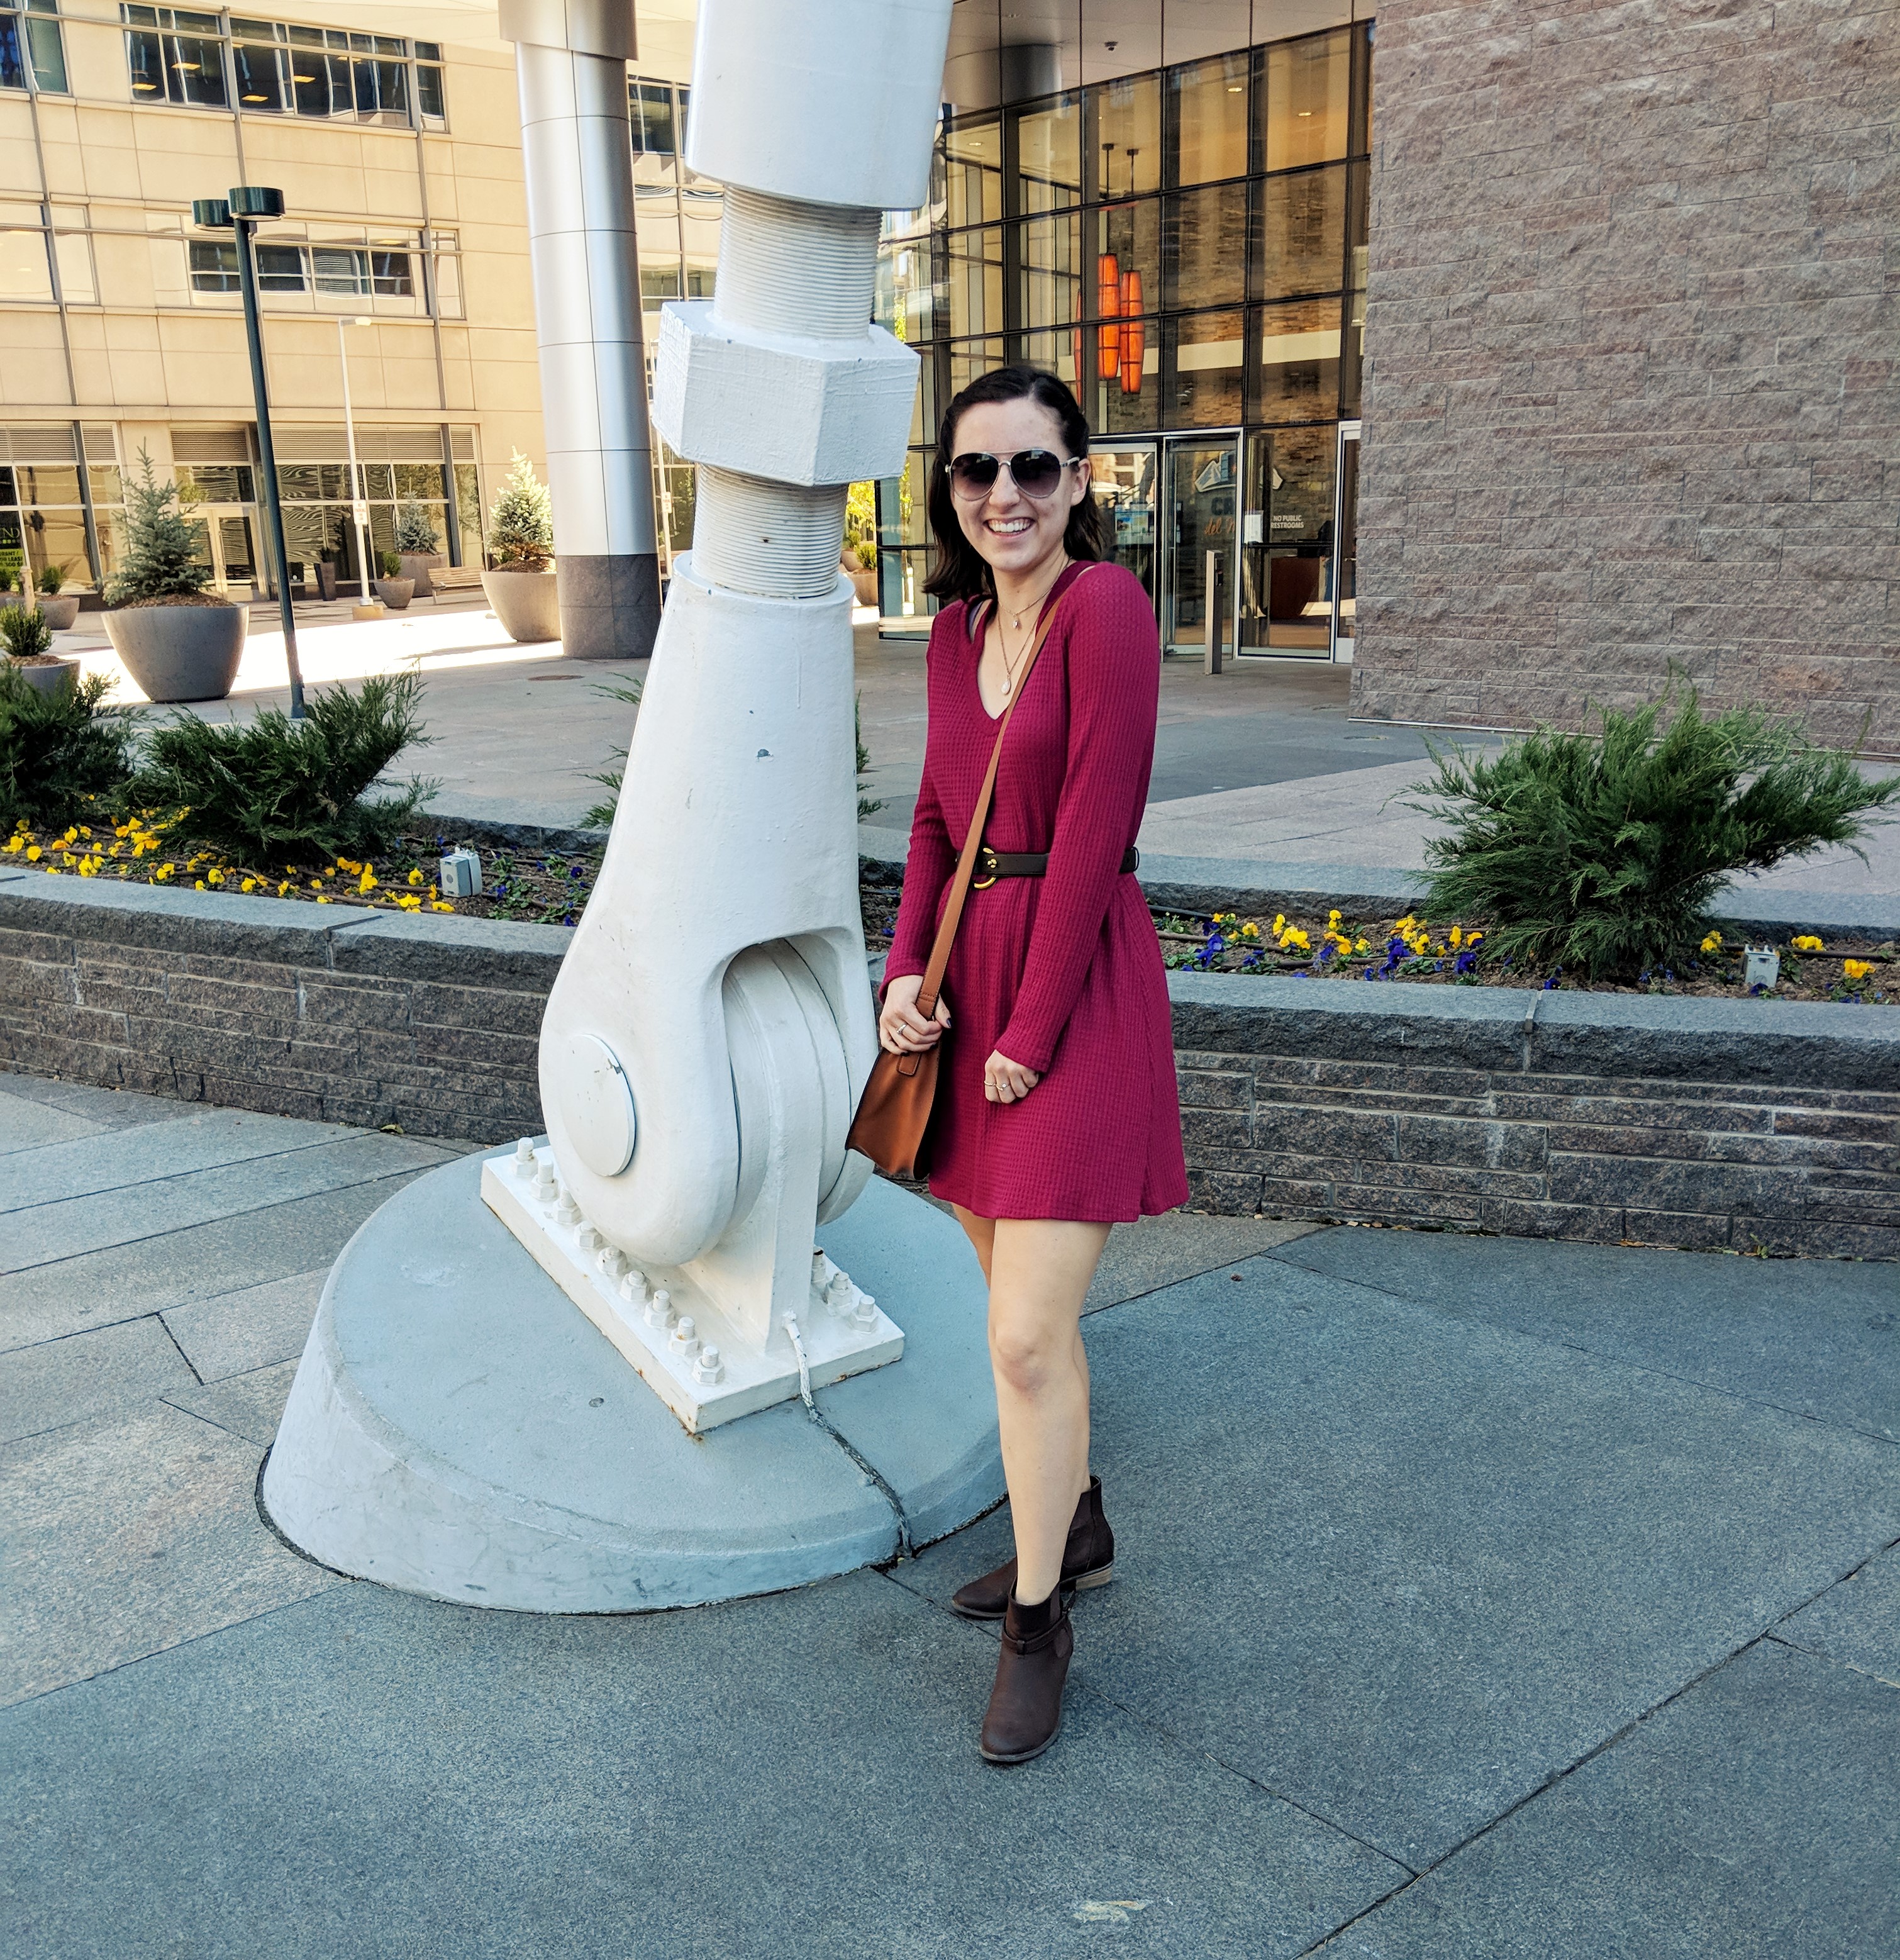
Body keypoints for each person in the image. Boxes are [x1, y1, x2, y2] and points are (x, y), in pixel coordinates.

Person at [879, 365, 1188, 1765]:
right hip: (972, 989)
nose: (1002, 495)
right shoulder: (950, 637)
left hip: (1069, 992)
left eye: (1032, 469)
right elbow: (941, 825)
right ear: (946, 492)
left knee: (1016, 1336)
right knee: (1024, 1320)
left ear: (1078, 481)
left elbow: (1091, 830)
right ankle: (1077, 1521)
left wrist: (1025, 1031)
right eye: (974, 472)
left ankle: (1036, 1621)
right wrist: (905, 979)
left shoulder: (1104, 613)